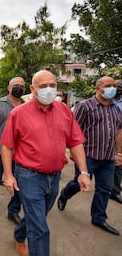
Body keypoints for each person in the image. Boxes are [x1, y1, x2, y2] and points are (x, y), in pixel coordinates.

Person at [0, 70, 91, 256]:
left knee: (38, 217)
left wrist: (83, 172)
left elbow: (75, 141)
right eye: (43, 86)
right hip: (28, 176)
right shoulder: (18, 113)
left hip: (55, 177)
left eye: (52, 85)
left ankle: (19, 234)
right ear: (33, 89)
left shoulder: (65, 111)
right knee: (40, 228)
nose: (48, 90)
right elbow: (7, 146)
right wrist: (8, 176)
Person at [57, 76, 122, 236]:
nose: (113, 88)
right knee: (79, 184)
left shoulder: (115, 108)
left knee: (105, 188)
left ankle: (98, 218)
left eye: (114, 85)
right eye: (108, 85)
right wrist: (73, 152)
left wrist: (118, 152)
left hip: (108, 157)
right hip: (88, 156)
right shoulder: (85, 106)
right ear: (98, 88)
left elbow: (119, 131)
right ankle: (64, 194)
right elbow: (73, 131)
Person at [0, 77, 25, 225]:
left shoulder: (27, 106)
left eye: (22, 86)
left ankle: (13, 211)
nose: (19, 88)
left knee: (19, 182)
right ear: (9, 88)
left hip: (19, 152)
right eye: (16, 85)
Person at [110, 79, 122, 203]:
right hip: (103, 138)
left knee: (118, 164)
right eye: (115, 86)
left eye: (119, 87)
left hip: (119, 137)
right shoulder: (105, 100)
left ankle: (115, 191)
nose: (117, 89)